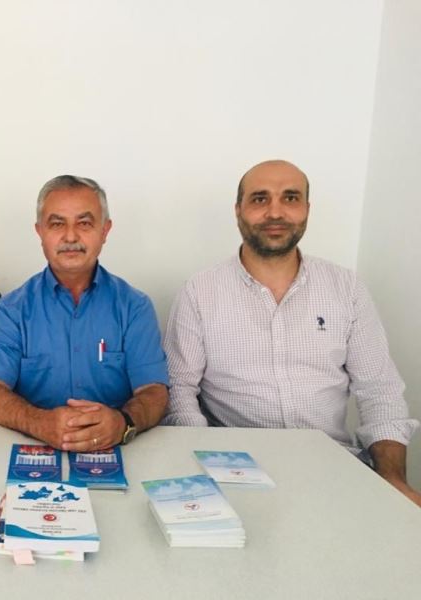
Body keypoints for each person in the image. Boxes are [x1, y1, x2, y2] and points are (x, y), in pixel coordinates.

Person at [163, 159, 421, 506]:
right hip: (235, 470)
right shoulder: (200, 292)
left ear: (306, 209)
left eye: (290, 198)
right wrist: (204, 465)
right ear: (238, 210)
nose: (275, 212)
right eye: (260, 199)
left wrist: (392, 480)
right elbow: (179, 390)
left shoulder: (346, 288)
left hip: (333, 466)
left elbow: (380, 391)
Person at [0, 175, 169, 451]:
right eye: (57, 224)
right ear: (40, 232)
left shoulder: (134, 307)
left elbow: (154, 392)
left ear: (105, 230)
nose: (70, 237)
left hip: (119, 450)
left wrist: (122, 422)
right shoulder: (12, 309)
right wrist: (39, 423)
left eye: (84, 223)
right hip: (32, 448)